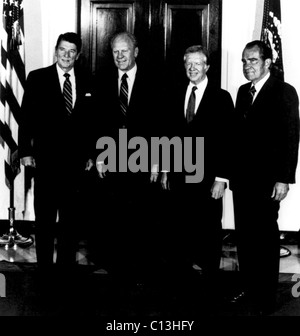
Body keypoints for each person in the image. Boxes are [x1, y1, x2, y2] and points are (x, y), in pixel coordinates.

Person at [229, 40, 299, 315]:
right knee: (245, 236)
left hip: (269, 182)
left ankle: (266, 296)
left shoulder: (284, 92)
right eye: (245, 61)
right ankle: (249, 287)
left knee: (265, 237)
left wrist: (284, 178)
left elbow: (291, 137)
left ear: (268, 62)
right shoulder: (242, 92)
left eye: (253, 60)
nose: (248, 66)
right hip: (243, 180)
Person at [160, 45, 234, 300]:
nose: (192, 69)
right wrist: (167, 169)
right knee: (179, 228)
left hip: (208, 179)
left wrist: (222, 178)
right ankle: (182, 283)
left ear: (207, 67)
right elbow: (169, 135)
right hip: (180, 176)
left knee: (209, 230)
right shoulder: (175, 93)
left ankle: (211, 283)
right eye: (188, 64)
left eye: (197, 64)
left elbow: (228, 140)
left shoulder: (221, 97)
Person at [18, 32, 93, 274]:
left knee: (70, 222)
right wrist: (25, 152)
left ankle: (65, 270)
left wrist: (92, 154)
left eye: (72, 51)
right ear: (55, 50)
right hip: (46, 163)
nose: (67, 55)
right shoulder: (38, 78)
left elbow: (94, 123)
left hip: (75, 165)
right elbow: (25, 119)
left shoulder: (88, 80)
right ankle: (45, 270)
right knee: (45, 222)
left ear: (78, 55)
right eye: (63, 49)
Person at [92, 32, 163, 287]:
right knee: (114, 216)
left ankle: (140, 272)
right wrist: (99, 155)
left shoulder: (154, 79)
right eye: (115, 52)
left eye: (124, 51)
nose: (120, 56)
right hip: (111, 157)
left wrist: (157, 159)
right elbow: (97, 121)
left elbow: (160, 123)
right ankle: (117, 271)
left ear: (136, 51)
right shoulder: (102, 79)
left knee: (142, 217)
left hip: (143, 158)